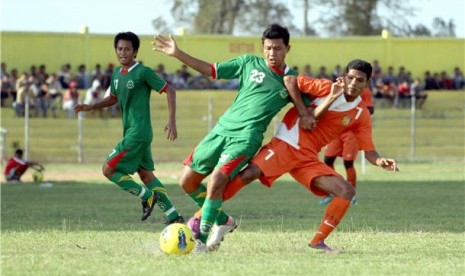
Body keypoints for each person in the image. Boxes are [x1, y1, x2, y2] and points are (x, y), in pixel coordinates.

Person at [152, 23, 315, 253]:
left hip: (246, 138)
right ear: (262, 47)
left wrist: (318, 105)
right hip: (220, 131)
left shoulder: (293, 81)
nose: (272, 53)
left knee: (216, 181)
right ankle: (224, 220)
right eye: (268, 48)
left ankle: (199, 240)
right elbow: (211, 70)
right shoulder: (249, 62)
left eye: (277, 48)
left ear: (288, 48)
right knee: (187, 182)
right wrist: (178, 53)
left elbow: (312, 107)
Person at [221, 59, 398, 253]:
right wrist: (303, 112)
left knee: (346, 191)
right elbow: (290, 80)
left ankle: (318, 242)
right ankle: (203, 217)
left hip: (307, 158)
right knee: (248, 175)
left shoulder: (361, 113)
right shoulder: (325, 86)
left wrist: (381, 161)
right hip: (287, 143)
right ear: (344, 76)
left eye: (359, 80)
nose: (353, 83)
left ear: (367, 84)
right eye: (350, 77)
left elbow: (369, 151)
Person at [73, 31, 184, 225]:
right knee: (146, 175)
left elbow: (170, 90)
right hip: (133, 131)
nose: (123, 52)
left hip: (138, 133)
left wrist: (172, 121)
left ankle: (147, 196)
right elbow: (113, 98)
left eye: (127, 49)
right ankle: (175, 217)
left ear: (135, 51)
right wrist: (91, 106)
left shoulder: (143, 72)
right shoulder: (117, 73)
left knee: (108, 169)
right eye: (119, 49)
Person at [321, 86, 374, 205]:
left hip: (351, 133)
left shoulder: (364, 91)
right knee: (328, 160)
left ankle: (351, 194)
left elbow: (370, 109)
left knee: (348, 162)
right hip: (336, 131)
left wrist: (353, 113)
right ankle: (333, 191)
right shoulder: (339, 88)